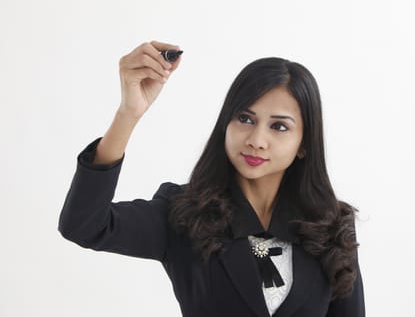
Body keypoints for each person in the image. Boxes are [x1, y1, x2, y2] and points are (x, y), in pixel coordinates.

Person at [58, 41, 365, 316]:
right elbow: (84, 224)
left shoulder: (331, 224)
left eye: (279, 127)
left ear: (304, 144)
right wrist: (128, 113)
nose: (257, 139)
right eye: (245, 119)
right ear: (225, 124)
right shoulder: (183, 214)